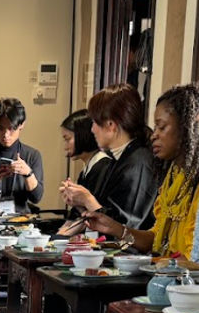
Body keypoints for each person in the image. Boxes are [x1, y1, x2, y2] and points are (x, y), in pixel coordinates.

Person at [83, 84, 199, 258]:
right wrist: (116, 228)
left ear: (187, 127)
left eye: (162, 127)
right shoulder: (173, 175)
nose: (154, 134)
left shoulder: (141, 161)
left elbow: (193, 261)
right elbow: (154, 239)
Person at [60, 83, 157, 229]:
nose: (92, 130)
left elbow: (123, 226)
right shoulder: (119, 157)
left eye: (94, 122)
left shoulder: (138, 162)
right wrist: (79, 203)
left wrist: (87, 200)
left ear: (111, 125)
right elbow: (104, 210)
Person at [59, 110, 113, 220]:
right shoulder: (87, 169)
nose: (65, 147)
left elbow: (98, 215)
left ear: (82, 135)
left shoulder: (103, 166)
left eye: (68, 139)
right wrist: (75, 202)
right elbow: (84, 214)